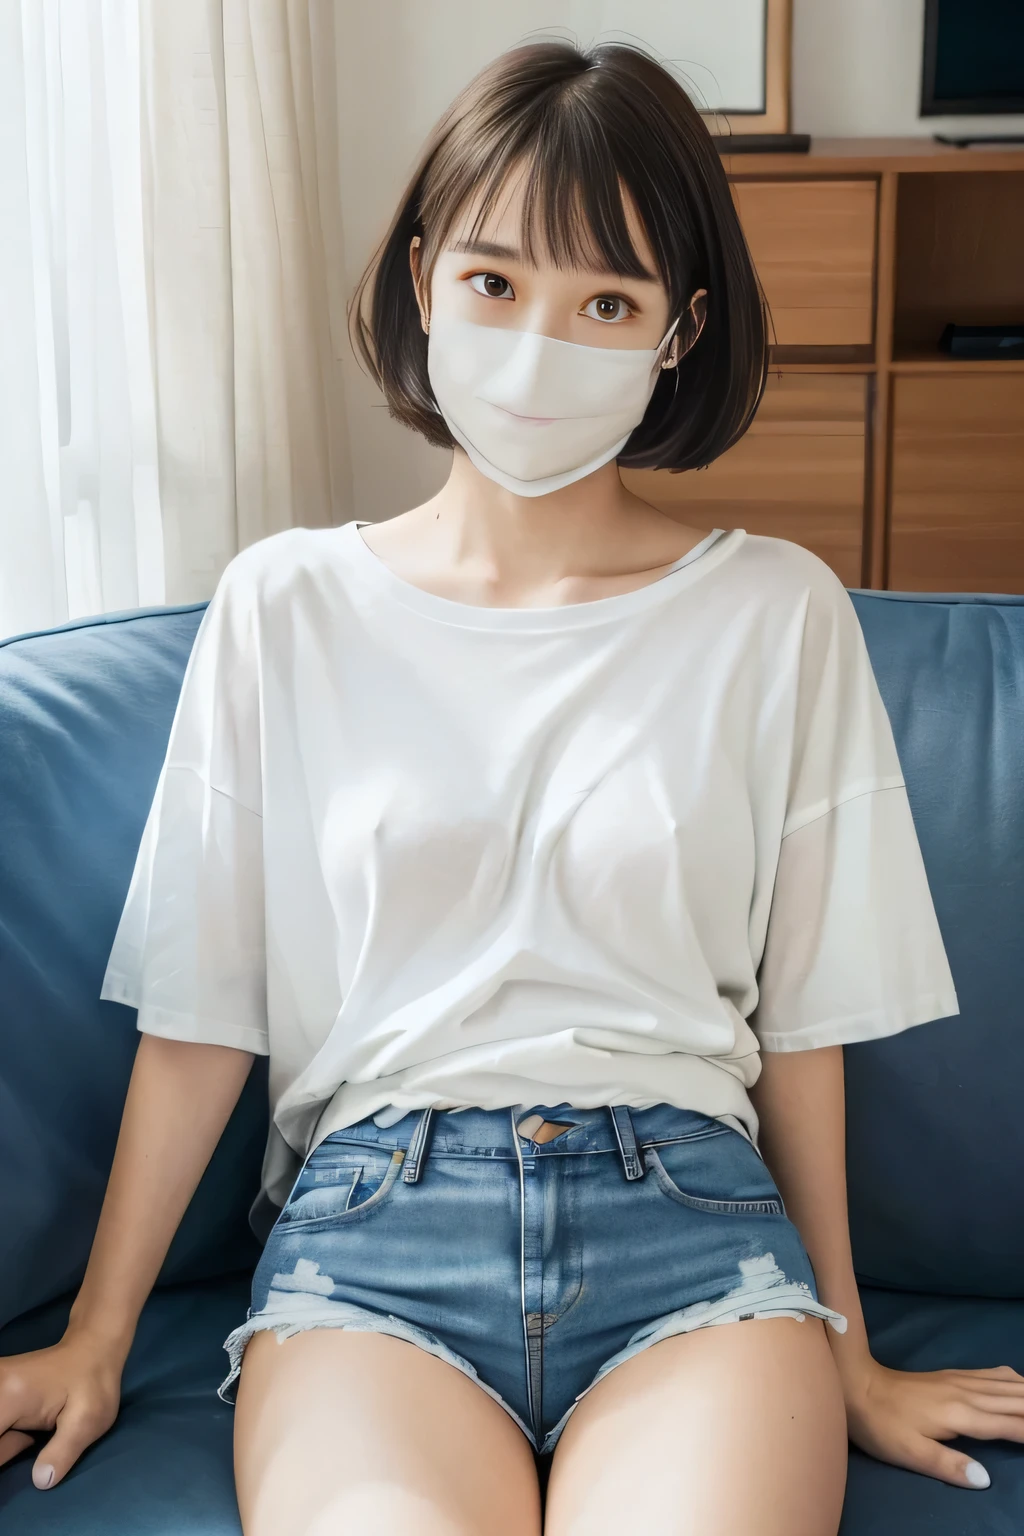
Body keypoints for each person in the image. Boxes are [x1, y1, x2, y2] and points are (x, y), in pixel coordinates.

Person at [1, 37, 1019, 1536]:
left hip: (697, 1235)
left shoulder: (776, 614)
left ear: (679, 334)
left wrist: (847, 1353)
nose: (542, 343)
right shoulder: (282, 606)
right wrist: (98, 1336)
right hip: (366, 1241)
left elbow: (804, 1030)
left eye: (607, 300)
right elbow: (202, 1017)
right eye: (495, 281)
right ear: (424, 280)